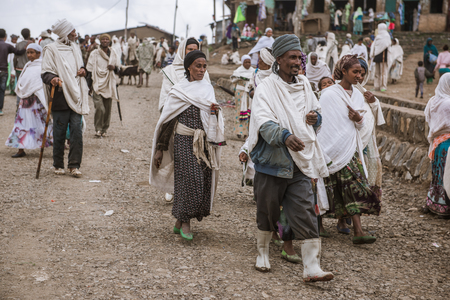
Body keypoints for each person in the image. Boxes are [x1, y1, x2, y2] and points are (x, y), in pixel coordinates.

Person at [248, 34, 333, 281]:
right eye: (292, 57)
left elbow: (316, 111)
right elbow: (263, 121)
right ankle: (262, 252)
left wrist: (316, 119)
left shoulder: (305, 84)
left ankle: (311, 266)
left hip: (301, 162)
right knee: (267, 212)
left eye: (299, 57)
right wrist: (284, 136)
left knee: (306, 211)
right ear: (279, 59)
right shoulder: (266, 87)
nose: (297, 61)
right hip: (272, 163)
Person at [150, 50, 226, 241]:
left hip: (204, 142)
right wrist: (160, 148)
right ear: (188, 67)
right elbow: (167, 121)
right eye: (198, 66)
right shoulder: (179, 91)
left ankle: (179, 222)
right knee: (191, 180)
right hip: (183, 141)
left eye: (204, 66)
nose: (201, 70)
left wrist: (215, 113)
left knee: (204, 180)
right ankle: (185, 222)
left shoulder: (207, 89)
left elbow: (212, 117)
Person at [318, 55, 381, 244]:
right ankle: (318, 225)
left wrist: (358, 120)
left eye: (361, 73)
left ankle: (358, 231)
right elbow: (322, 124)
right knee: (326, 186)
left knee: (355, 185)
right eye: (355, 72)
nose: (359, 76)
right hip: (329, 147)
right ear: (343, 72)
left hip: (350, 148)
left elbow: (363, 124)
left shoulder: (359, 96)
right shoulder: (329, 94)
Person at [41, 19, 90, 177]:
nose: (75, 34)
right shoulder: (51, 49)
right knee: (60, 132)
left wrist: (83, 70)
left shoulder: (75, 48)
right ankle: (58, 164)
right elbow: (45, 72)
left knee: (77, 132)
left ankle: (74, 165)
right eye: (72, 32)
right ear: (64, 33)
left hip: (76, 95)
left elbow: (81, 65)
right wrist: (53, 78)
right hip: (60, 96)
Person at [5, 43, 52, 157]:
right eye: (28, 52)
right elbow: (23, 82)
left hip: (37, 101)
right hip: (26, 102)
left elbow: (41, 84)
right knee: (21, 124)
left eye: (32, 52)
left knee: (45, 123)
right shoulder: (27, 66)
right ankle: (20, 149)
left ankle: (56, 146)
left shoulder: (43, 66)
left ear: (39, 53)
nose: (29, 55)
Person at [423, 73, 450, 217]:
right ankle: (445, 206)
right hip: (448, 144)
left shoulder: (433, 100)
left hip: (438, 143)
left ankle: (434, 202)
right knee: (447, 175)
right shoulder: (448, 103)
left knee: (438, 174)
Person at [159, 37, 211, 112]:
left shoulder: (203, 72)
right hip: (175, 114)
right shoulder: (170, 71)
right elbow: (165, 96)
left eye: (195, 50)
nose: (193, 53)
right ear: (183, 50)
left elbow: (208, 94)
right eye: (190, 49)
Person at [86, 33, 120, 138]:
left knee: (107, 108)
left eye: (107, 39)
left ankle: (104, 129)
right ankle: (98, 129)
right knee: (100, 108)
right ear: (100, 41)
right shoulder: (94, 53)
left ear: (109, 41)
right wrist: (88, 86)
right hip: (97, 83)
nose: (105, 41)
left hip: (109, 83)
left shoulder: (113, 53)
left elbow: (118, 69)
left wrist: (113, 68)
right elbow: (90, 70)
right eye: (103, 39)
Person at [1, 29, 29, 116]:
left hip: (14, 69)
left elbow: (16, 56)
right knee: (2, 90)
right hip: (4, 70)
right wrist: (25, 48)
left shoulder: (13, 44)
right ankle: (0, 109)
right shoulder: (7, 46)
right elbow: (18, 53)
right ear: (5, 37)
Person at [231, 55, 254, 139]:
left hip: (249, 94)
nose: (248, 64)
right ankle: (239, 131)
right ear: (242, 62)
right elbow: (233, 82)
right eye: (246, 62)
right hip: (240, 94)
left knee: (249, 111)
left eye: (249, 62)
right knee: (239, 111)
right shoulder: (238, 71)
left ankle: (247, 132)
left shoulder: (253, 72)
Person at [370, 23, 391, 92]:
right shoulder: (378, 36)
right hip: (377, 56)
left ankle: (383, 86)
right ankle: (376, 86)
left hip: (383, 57)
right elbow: (374, 45)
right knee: (377, 73)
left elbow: (387, 45)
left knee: (383, 73)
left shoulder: (386, 36)